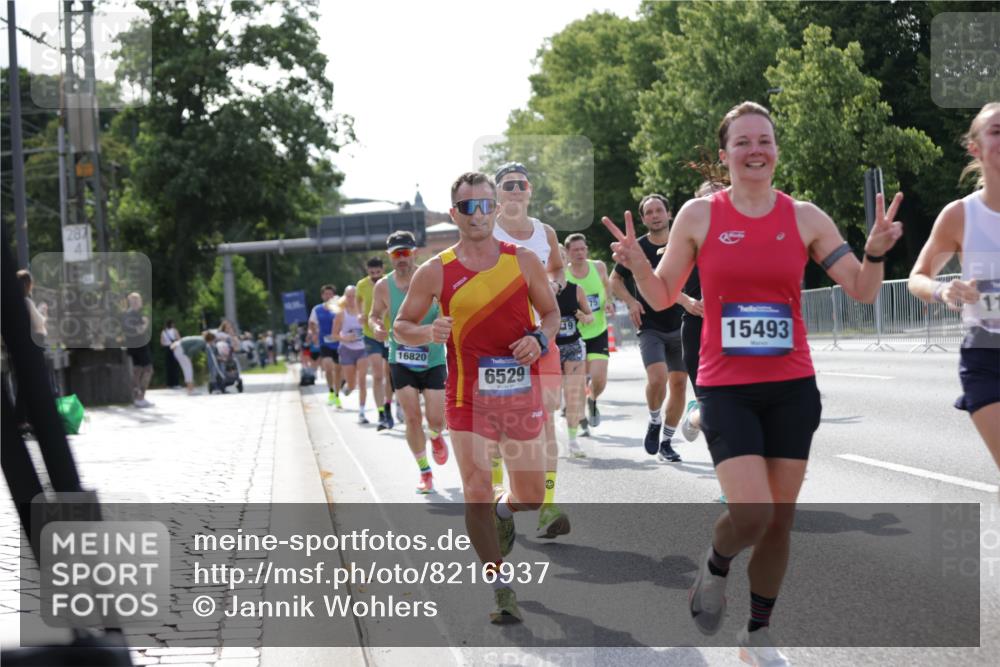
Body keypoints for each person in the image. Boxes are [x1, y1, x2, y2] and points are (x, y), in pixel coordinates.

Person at [604, 101, 903, 664]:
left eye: (763, 139)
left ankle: (757, 634)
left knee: (778, 522)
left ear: (776, 150)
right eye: (742, 142)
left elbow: (862, 289)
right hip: (726, 385)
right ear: (725, 155)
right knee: (752, 514)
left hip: (792, 383)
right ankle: (715, 565)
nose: (755, 150)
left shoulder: (806, 217)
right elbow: (666, 296)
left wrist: (874, 252)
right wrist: (637, 267)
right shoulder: (699, 215)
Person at [395, 171, 558, 623]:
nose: (480, 214)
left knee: (527, 494)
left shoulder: (522, 259)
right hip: (466, 398)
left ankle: (508, 511)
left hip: (519, 394)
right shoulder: (436, 269)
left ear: (497, 208)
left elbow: (550, 313)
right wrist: (429, 330)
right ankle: (499, 585)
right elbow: (401, 326)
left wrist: (541, 341)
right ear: (455, 213)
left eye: (487, 205)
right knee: (476, 491)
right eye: (470, 207)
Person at [909, 102, 1000, 474]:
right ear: (975, 147)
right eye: (996, 131)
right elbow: (918, 276)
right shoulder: (961, 215)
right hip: (986, 355)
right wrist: (942, 290)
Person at [493, 161, 572, 540]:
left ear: (529, 190)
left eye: (520, 184)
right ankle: (497, 499)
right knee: (498, 428)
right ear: (496, 193)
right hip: (497, 346)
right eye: (507, 185)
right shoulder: (484, 232)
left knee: (547, 420)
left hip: (542, 338)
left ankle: (549, 505)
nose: (515, 190)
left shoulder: (545, 233)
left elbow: (557, 269)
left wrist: (555, 285)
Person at [609, 193, 687, 462]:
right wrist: (631, 302)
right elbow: (614, 281)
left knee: (678, 384)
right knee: (657, 378)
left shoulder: (682, 243)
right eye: (649, 212)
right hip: (651, 325)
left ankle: (666, 441)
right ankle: (654, 419)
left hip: (683, 324)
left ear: (668, 214)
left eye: (658, 210)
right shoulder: (636, 247)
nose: (654, 215)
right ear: (643, 219)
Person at [370, 231, 449, 493]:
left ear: (415, 252)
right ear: (389, 257)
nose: (401, 259)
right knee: (413, 418)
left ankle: (436, 437)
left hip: (434, 357)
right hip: (400, 358)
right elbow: (373, 315)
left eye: (405, 253)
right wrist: (376, 325)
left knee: (436, 420)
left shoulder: (431, 278)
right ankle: (425, 471)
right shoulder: (383, 286)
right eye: (396, 254)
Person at [677, 179, 728, 446]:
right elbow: (664, 283)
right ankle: (695, 414)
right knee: (713, 411)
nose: (715, 198)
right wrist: (686, 301)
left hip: (735, 326)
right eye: (708, 195)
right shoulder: (687, 237)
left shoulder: (747, 231)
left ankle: (732, 484)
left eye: (720, 192)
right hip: (697, 327)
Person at [563, 233, 615, 436]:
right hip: (575, 336)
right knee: (580, 381)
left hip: (598, 332)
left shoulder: (599, 267)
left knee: (599, 379)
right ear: (567, 253)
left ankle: (593, 400)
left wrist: (608, 301)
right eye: (575, 250)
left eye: (582, 249)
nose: (579, 253)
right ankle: (581, 419)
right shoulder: (563, 275)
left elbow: (607, 286)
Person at [553, 250, 593, 458]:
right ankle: (549, 437)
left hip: (573, 346)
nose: (558, 261)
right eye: (554, 257)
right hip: (550, 349)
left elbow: (590, 318)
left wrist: (581, 315)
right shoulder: (539, 289)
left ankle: (573, 441)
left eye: (562, 257)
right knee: (552, 400)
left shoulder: (576, 290)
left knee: (573, 396)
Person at [356, 257, 389, 425]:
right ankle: (381, 412)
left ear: (383, 269)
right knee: (377, 375)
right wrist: (360, 315)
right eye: (372, 273)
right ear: (367, 271)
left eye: (378, 272)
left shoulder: (390, 281)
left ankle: (391, 406)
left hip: (390, 334)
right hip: (370, 334)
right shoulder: (361, 285)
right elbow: (358, 304)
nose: (375, 275)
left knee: (390, 375)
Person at [308, 284, 343, 408]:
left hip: (339, 343)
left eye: (330, 294)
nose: (328, 296)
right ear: (322, 295)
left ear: (334, 295)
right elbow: (311, 323)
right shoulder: (317, 309)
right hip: (324, 343)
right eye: (326, 294)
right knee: (328, 368)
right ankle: (331, 393)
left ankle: (338, 395)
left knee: (338, 370)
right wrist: (314, 333)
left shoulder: (339, 308)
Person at [332, 286, 366, 396]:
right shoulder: (341, 313)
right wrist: (345, 338)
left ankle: (362, 408)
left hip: (363, 348)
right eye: (348, 296)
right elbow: (334, 335)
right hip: (346, 349)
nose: (351, 299)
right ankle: (348, 386)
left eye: (353, 296)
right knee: (352, 384)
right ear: (344, 297)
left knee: (362, 379)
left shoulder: (364, 311)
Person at [122, 292, 155, 408]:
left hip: (135, 347)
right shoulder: (132, 315)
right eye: (136, 301)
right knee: (148, 370)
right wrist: (146, 323)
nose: (139, 302)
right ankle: (140, 397)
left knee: (138, 372)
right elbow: (139, 330)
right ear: (132, 302)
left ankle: (138, 398)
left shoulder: (130, 315)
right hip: (139, 347)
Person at [160, 319, 182, 388]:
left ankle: (169, 384)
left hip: (167, 349)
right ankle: (176, 383)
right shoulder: (175, 330)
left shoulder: (163, 332)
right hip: (174, 348)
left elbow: (162, 343)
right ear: (172, 324)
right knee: (175, 366)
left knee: (168, 367)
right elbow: (179, 339)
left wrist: (167, 343)